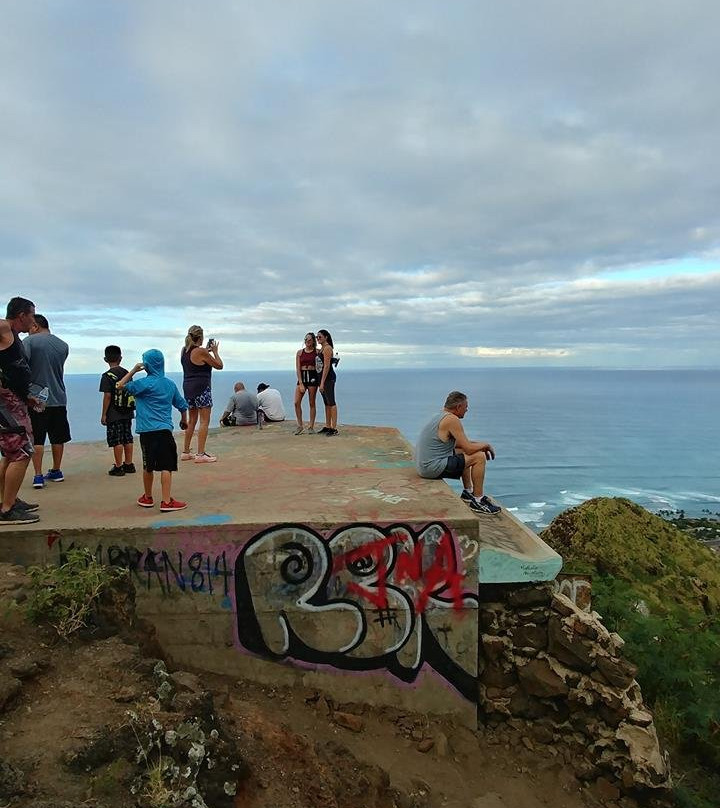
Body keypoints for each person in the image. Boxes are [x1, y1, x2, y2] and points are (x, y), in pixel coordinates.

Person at [117, 349, 189, 512]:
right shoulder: (169, 384)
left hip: (146, 432)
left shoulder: (143, 384)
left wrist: (134, 370)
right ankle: (166, 501)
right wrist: (184, 420)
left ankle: (148, 497)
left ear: (147, 364)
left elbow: (120, 385)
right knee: (166, 465)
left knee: (148, 465)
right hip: (164, 430)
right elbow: (182, 405)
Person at [415, 390, 501, 515]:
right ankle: (478, 500)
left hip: (424, 466)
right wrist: (485, 445)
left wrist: (478, 445)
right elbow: (469, 449)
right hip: (431, 468)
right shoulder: (452, 420)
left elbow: (460, 444)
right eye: (466, 407)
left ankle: (468, 491)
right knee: (479, 457)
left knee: (463, 452)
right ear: (458, 407)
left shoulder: (439, 416)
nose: (467, 410)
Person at [0, 297, 40, 525]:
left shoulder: (14, 338)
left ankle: (8, 500)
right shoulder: (6, 327)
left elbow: (15, 372)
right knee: (23, 452)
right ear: (21, 315)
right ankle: (7, 510)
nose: (33, 321)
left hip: (16, 401)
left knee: (10, 454)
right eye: (32, 315)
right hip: (7, 404)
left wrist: (27, 397)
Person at [22, 314, 71, 488]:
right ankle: (56, 470)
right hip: (58, 396)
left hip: (35, 399)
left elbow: (22, 367)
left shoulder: (29, 342)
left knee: (37, 438)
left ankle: (38, 475)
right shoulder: (63, 345)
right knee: (58, 437)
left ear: (35, 326)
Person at [180, 325, 223, 463]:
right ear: (201, 337)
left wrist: (206, 350)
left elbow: (196, 360)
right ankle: (200, 454)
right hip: (202, 388)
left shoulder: (184, 351)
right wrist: (214, 352)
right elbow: (219, 365)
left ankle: (186, 451)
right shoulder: (201, 352)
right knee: (204, 421)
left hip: (188, 388)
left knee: (192, 420)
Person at [99, 345, 135, 477]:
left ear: (105, 359)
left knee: (117, 440)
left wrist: (104, 414)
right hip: (128, 411)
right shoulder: (127, 373)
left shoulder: (106, 376)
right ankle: (129, 464)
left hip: (114, 413)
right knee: (127, 437)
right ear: (120, 358)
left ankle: (119, 466)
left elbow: (107, 396)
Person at [294, 333, 319, 435]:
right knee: (296, 402)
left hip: (313, 376)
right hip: (303, 376)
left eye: (309, 340)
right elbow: (298, 368)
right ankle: (300, 425)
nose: (307, 342)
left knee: (312, 402)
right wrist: (300, 382)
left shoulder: (317, 352)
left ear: (313, 341)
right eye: (305, 340)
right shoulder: (300, 353)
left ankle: (311, 426)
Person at [316, 329, 339, 436]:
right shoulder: (321, 349)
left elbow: (326, 366)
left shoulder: (328, 348)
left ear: (326, 337)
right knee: (326, 403)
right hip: (322, 379)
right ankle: (328, 425)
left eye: (320, 337)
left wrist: (322, 382)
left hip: (328, 379)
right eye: (317, 337)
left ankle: (334, 428)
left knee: (331, 402)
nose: (318, 339)